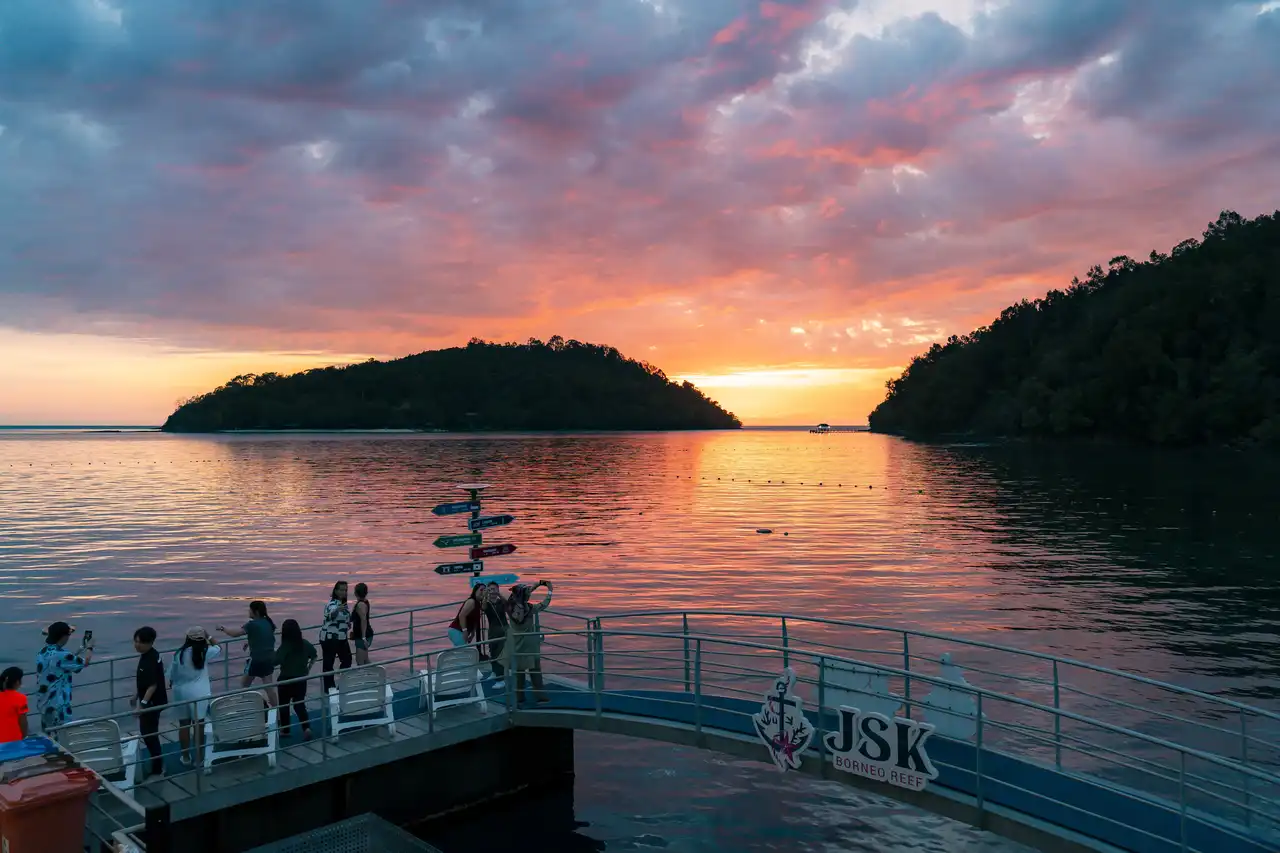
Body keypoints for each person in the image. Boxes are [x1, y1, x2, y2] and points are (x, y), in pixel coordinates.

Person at [169, 627, 221, 766]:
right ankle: (199, 758)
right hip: (199, 693)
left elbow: (172, 675)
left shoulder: (179, 653)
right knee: (199, 725)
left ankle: (185, 757)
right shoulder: (204, 652)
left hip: (180, 692)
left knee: (184, 725)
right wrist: (209, 636)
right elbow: (218, 647)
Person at [34, 621, 93, 731]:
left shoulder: (42, 652)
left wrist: (81, 648)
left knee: (49, 735)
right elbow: (84, 663)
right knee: (63, 735)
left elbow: (64, 663)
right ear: (63, 637)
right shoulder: (62, 655)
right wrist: (90, 647)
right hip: (59, 704)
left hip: (44, 703)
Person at [218, 600, 278, 705]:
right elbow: (263, 636)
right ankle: (278, 713)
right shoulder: (268, 622)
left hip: (256, 660)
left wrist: (223, 629)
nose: (248, 612)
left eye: (250, 610)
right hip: (269, 658)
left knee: (244, 686)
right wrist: (249, 642)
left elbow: (235, 634)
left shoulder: (252, 624)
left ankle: (245, 707)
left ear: (256, 612)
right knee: (269, 689)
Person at [506, 580, 553, 706]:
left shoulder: (510, 607)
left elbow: (521, 594)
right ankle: (541, 697)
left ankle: (519, 697)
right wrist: (549, 591)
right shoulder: (530, 608)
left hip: (516, 643)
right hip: (530, 644)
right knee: (535, 671)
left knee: (519, 672)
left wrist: (537, 585)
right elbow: (544, 604)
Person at [131, 626, 168, 777]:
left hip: (152, 703)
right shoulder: (148, 654)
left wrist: (142, 705)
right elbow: (146, 682)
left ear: (150, 642)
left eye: (140, 642)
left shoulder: (150, 659)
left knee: (149, 735)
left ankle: (158, 770)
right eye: (135, 641)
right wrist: (136, 695)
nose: (136, 645)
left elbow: (152, 685)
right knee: (148, 734)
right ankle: (157, 765)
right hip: (150, 700)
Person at [275, 619, 317, 741]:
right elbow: (314, 655)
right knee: (299, 704)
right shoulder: (304, 643)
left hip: (286, 679)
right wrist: (308, 668)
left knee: (284, 705)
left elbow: (276, 661)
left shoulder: (285, 646)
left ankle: (286, 730)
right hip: (301, 678)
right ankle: (306, 728)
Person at [320, 581, 352, 692]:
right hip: (330, 638)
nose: (344, 592)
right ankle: (329, 689)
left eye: (346, 590)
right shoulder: (331, 604)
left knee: (347, 660)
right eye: (342, 590)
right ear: (336, 591)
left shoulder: (344, 604)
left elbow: (345, 618)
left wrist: (348, 624)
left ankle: (340, 686)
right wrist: (337, 610)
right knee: (328, 664)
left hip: (342, 638)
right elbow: (329, 615)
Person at [482, 581, 508, 688]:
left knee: (499, 654)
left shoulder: (501, 602)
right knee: (492, 652)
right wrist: (485, 596)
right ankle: (494, 672)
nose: (492, 592)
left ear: (498, 589)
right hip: (493, 631)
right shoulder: (487, 603)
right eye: (490, 589)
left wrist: (499, 595)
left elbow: (508, 605)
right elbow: (483, 608)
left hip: (503, 630)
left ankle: (501, 679)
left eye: (494, 589)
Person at [0, 668, 28, 743]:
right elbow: (23, 722)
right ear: (17, 682)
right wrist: (24, 736)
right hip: (14, 740)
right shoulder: (21, 698)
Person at [351, 583, 374, 666]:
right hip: (364, 634)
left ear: (355, 593)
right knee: (365, 660)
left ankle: (368, 676)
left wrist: (363, 637)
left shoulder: (360, 605)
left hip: (362, 636)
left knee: (360, 662)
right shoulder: (364, 602)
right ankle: (374, 674)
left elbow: (363, 620)